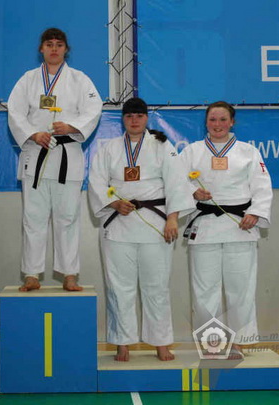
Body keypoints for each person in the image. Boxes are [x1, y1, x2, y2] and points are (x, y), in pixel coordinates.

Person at [88, 98, 195, 362]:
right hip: (118, 223)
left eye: (139, 116)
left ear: (147, 118)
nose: (134, 120)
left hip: (155, 223)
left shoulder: (162, 146)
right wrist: (114, 203)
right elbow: (96, 181)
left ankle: (160, 342)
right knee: (119, 287)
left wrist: (172, 219)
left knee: (156, 286)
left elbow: (176, 182)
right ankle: (122, 342)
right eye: (129, 116)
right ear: (122, 119)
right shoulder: (109, 148)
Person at [8, 28, 102, 292]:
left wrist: (71, 127)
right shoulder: (27, 80)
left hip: (66, 158)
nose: (53, 49)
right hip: (36, 155)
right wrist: (32, 133)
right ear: (41, 49)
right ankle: (32, 274)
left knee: (68, 218)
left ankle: (69, 274)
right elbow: (15, 112)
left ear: (66, 49)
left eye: (59, 45)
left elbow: (94, 109)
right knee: (33, 218)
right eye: (49, 44)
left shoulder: (80, 80)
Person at [180, 101, 272, 359]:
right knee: (204, 291)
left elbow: (262, 186)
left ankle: (240, 341)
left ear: (232, 122)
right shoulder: (192, 152)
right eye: (212, 120)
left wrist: (255, 212)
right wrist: (193, 192)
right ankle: (212, 343)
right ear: (205, 122)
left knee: (241, 288)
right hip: (205, 227)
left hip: (240, 226)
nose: (217, 125)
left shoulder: (248, 152)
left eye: (222, 120)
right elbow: (176, 183)